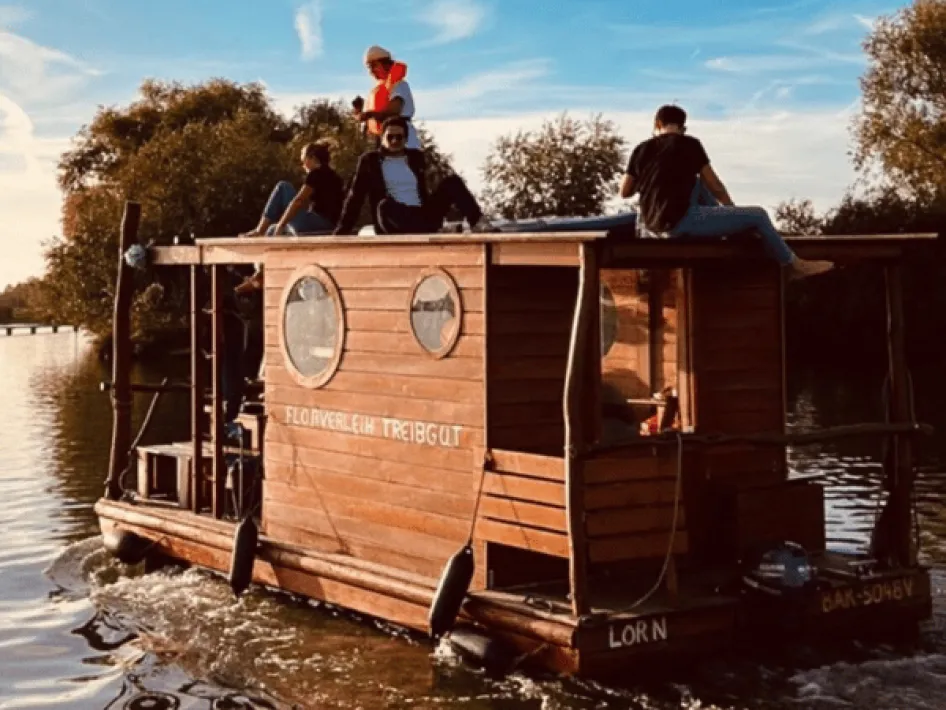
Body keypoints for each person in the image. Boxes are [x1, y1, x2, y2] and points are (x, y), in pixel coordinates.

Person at [620, 105, 833, 280]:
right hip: (680, 222)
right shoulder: (690, 144)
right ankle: (791, 265)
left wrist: (653, 178)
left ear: (657, 124)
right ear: (683, 127)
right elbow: (715, 185)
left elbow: (625, 192)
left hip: (652, 228)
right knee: (757, 215)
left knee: (695, 184)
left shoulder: (641, 149)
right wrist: (732, 213)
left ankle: (731, 229)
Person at [334, 116, 497, 236]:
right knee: (384, 207)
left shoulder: (415, 158)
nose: (394, 141)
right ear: (382, 138)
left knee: (452, 182)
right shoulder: (371, 161)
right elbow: (355, 197)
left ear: (405, 139)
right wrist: (341, 232)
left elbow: (430, 189)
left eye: (399, 137)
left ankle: (478, 223)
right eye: (390, 137)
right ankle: (434, 230)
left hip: (422, 215)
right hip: (394, 218)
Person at [240, 140, 344, 238]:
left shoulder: (316, 173)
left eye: (304, 161)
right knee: (271, 229)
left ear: (312, 157)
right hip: (330, 225)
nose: (303, 166)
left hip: (317, 224)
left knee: (283, 186)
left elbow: (298, 201)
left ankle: (260, 230)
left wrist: (281, 225)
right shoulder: (335, 176)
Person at [353, 45, 422, 150]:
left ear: (386, 64)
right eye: (369, 68)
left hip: (403, 139)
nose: (371, 71)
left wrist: (369, 114)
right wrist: (359, 112)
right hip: (386, 140)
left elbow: (394, 110)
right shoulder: (379, 89)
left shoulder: (399, 85)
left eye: (374, 66)